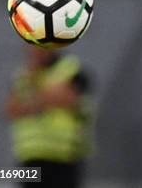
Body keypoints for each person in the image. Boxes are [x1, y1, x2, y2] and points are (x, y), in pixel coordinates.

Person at [5, 46, 92, 188]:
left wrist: (30, 101)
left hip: (64, 157)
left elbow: (67, 98)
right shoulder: (23, 75)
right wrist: (45, 98)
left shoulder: (70, 69)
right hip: (30, 157)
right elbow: (11, 110)